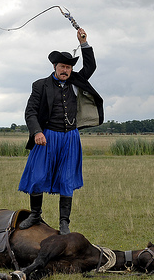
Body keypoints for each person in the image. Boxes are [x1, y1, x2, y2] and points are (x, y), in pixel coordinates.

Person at [18, 28, 103, 235]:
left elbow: (90, 66)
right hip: (46, 136)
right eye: (62, 66)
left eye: (68, 67)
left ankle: (64, 222)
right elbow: (30, 112)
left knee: (66, 180)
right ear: (55, 66)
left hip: (70, 138)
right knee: (37, 176)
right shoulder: (40, 85)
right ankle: (35, 214)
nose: (65, 70)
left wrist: (84, 43)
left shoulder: (75, 82)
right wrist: (37, 132)